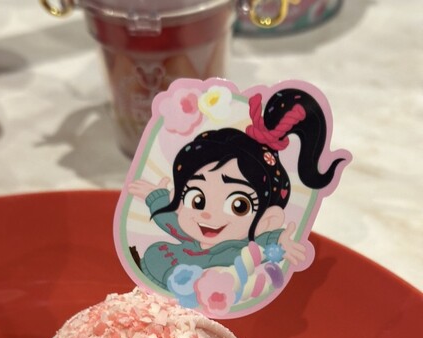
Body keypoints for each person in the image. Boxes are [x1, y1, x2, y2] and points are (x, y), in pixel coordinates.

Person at [129, 87, 345, 292]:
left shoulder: (238, 252)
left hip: (206, 294)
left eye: (239, 205)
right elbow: (169, 219)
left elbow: (262, 244)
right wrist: (155, 196)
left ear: (267, 220)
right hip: (153, 268)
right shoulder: (185, 232)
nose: (208, 214)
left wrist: (281, 243)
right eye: (197, 199)